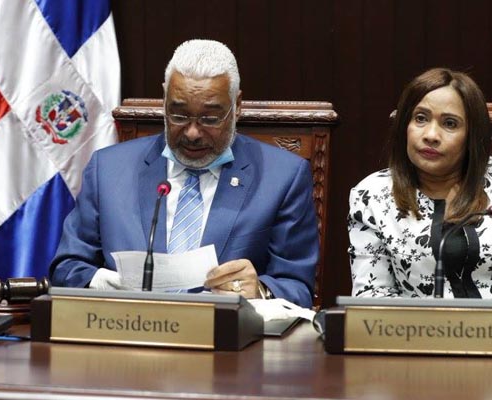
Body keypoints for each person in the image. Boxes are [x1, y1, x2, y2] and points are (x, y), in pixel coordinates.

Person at [49, 39, 319, 308]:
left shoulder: (282, 178)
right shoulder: (108, 170)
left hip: (227, 333)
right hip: (129, 325)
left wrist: (260, 291)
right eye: (178, 115)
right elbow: (66, 268)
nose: (192, 132)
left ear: (237, 106)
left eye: (210, 119)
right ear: (164, 99)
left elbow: (298, 287)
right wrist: (107, 284)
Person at [348, 68, 492, 322]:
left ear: (471, 134)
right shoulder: (372, 196)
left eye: (450, 123)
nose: (431, 135)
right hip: (419, 337)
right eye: (420, 118)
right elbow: (372, 294)